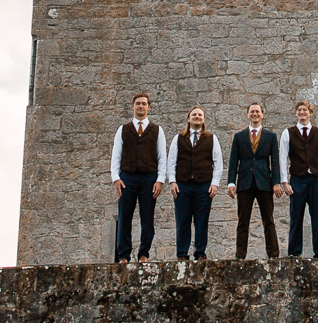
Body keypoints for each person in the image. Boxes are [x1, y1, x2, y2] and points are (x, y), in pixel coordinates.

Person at [109, 93, 164, 263]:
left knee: (147, 217)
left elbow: (162, 155)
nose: (141, 106)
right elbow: (116, 154)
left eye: (144, 104)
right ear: (132, 107)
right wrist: (115, 178)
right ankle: (124, 255)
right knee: (125, 216)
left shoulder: (157, 130)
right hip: (127, 177)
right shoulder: (123, 129)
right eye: (137, 104)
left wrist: (160, 180)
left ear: (149, 107)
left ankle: (143, 254)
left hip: (149, 178)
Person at [226, 101, 284, 259]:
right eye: (252, 112)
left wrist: (276, 182)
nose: (255, 114)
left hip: (264, 182)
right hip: (244, 183)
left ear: (262, 114)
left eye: (257, 112)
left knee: (268, 220)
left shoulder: (270, 136)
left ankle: (273, 255)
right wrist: (231, 182)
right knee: (243, 221)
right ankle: (240, 255)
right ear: (247, 115)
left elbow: (275, 161)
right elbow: (233, 161)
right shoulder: (239, 137)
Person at [165, 106, 222, 260]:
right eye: (194, 115)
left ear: (203, 119)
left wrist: (215, 184)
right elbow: (171, 162)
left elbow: (218, 163)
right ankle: (182, 254)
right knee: (182, 220)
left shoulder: (211, 139)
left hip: (203, 186)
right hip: (182, 186)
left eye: (200, 115)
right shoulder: (178, 139)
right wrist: (172, 182)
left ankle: (200, 253)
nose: (197, 117)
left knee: (201, 221)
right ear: (188, 119)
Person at [281, 99, 318, 258]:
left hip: (315, 179)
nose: (302, 113)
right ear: (296, 113)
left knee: (317, 218)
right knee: (296, 217)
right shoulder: (288, 133)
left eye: (305, 110)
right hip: (297, 179)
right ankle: (294, 253)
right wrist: (285, 182)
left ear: (310, 113)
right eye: (299, 110)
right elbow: (282, 158)